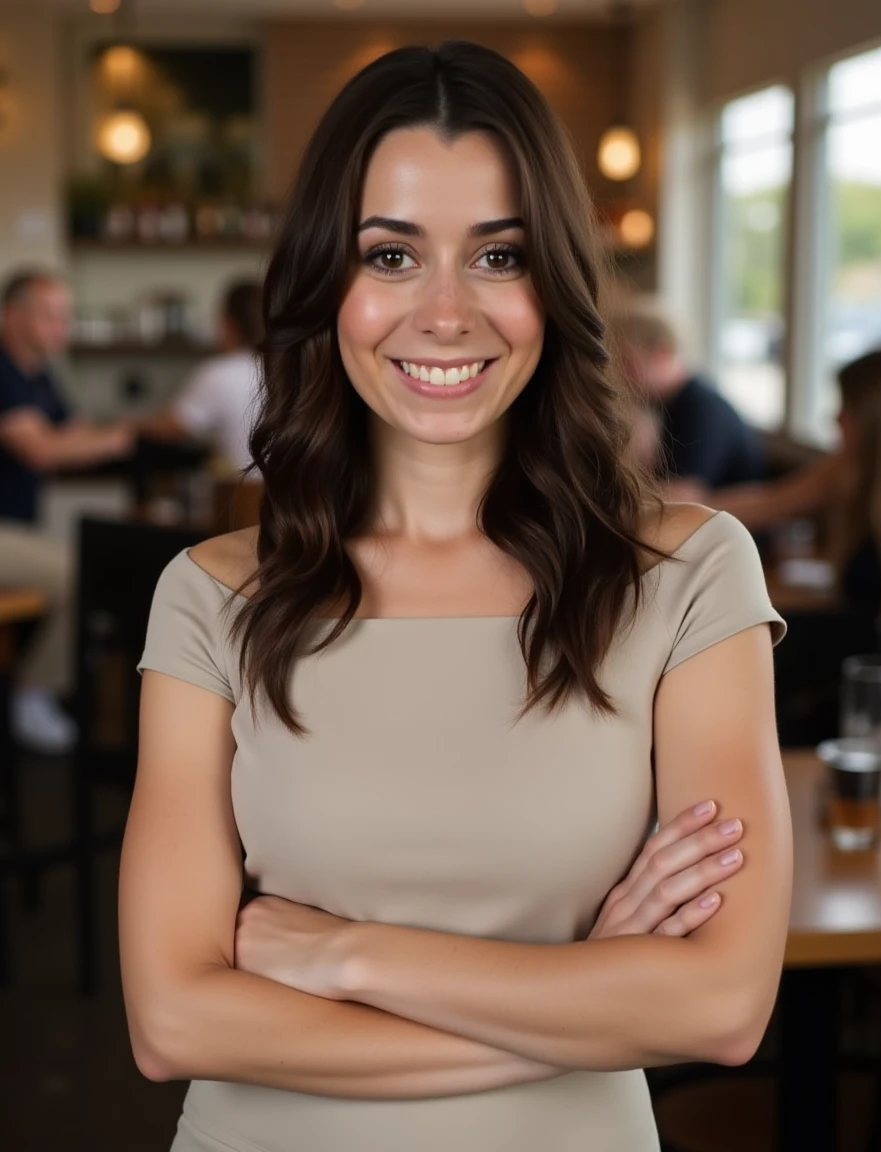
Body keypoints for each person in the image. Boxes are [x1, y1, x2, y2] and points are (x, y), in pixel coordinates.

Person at [120, 42, 792, 1152]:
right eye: (389, 255)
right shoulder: (210, 597)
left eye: (496, 256)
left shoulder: (685, 574)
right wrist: (584, 994)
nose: (442, 314)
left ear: (554, 283)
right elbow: (172, 1019)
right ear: (325, 281)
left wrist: (349, 956)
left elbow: (719, 1007)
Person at [0, 269, 134, 752]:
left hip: (15, 531)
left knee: (91, 565)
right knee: (81, 570)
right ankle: (33, 696)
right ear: (11, 316)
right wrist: (115, 437)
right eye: (49, 317)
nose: (62, 328)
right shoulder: (4, 370)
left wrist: (99, 437)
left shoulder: (37, 375)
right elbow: (41, 450)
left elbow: (74, 432)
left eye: (65, 317)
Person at [698, 347, 881, 622]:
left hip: (869, 652)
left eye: (848, 408)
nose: (836, 417)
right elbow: (770, 502)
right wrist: (683, 509)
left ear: (877, 420)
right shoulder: (845, 468)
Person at [616, 300, 767, 489]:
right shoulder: (665, 404)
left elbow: (683, 495)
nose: (620, 374)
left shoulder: (702, 408)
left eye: (627, 362)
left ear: (661, 353)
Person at [140, 280, 263, 473]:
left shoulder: (220, 372)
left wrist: (128, 425)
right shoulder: (284, 370)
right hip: (288, 495)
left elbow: (170, 427)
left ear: (227, 323)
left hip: (241, 494)